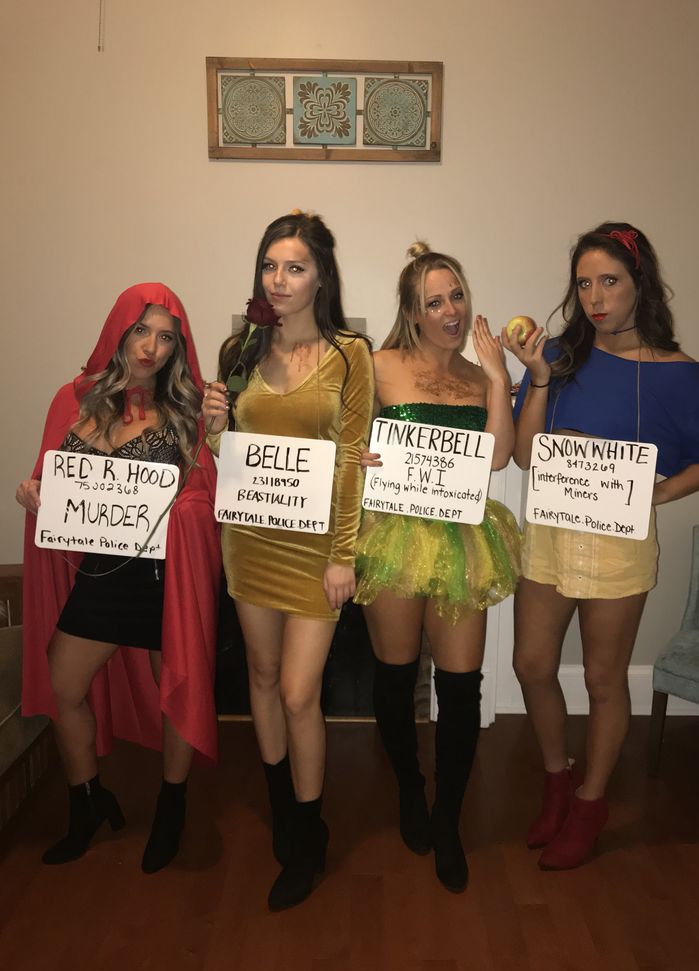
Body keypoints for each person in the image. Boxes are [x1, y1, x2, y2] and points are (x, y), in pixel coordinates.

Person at [504, 221, 699, 870]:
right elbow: (524, 456)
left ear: (640, 284)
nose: (597, 297)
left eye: (610, 281)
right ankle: (556, 777)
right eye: (584, 284)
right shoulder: (557, 355)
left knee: (605, 679)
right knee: (530, 663)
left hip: (618, 543)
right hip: (551, 531)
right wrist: (539, 378)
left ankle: (590, 799)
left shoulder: (679, 373)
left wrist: (655, 495)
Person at [17, 283, 221, 873]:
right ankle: (87, 799)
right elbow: (49, 481)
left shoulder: (186, 410)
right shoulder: (72, 400)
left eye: (165, 336)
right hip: (101, 575)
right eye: (141, 331)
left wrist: (188, 502)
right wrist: (33, 494)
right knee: (63, 685)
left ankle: (171, 809)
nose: (151, 348)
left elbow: (208, 496)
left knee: (174, 693)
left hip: (164, 582)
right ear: (118, 331)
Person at [203, 211, 374, 911]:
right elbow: (233, 459)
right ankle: (284, 802)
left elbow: (352, 467)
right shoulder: (238, 349)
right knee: (263, 676)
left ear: (321, 276)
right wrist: (214, 427)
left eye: (294, 267)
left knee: (302, 692)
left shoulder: (349, 354)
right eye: (270, 266)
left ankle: (308, 827)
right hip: (250, 542)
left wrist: (343, 557)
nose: (279, 279)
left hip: (316, 553)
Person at [354, 243, 522, 892]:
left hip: (461, 538)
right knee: (395, 678)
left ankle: (447, 817)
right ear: (412, 311)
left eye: (457, 295)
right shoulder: (380, 364)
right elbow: (342, 431)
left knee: (460, 688)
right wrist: (355, 456)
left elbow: (501, 457)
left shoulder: (480, 380)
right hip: (392, 534)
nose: (452, 310)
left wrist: (501, 379)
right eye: (435, 301)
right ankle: (408, 788)